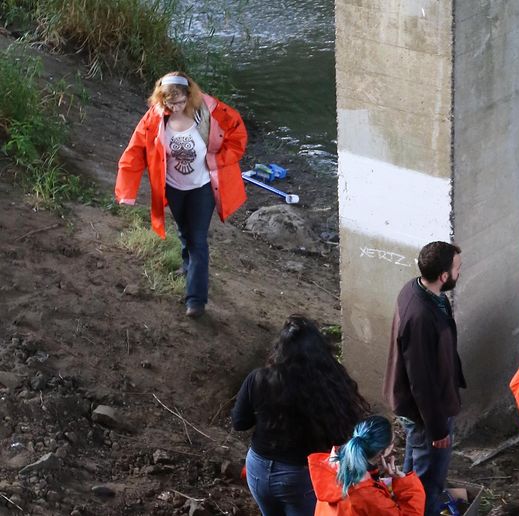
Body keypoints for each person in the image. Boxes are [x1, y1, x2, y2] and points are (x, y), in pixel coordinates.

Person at [117, 71, 247, 318]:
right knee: (184, 231)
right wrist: (126, 191)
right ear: (161, 99)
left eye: (179, 102)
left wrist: (219, 160)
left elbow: (238, 136)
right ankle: (187, 266)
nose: (174, 108)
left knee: (198, 239)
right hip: (173, 187)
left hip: (203, 187)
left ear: (190, 96)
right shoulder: (155, 117)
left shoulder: (211, 111)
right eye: (168, 102)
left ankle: (195, 299)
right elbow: (135, 151)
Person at [232, 315, 369, 516]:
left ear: (280, 348)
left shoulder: (258, 378)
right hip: (300, 475)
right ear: (319, 351)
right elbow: (345, 432)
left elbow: (240, 422)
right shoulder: (328, 384)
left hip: (258, 470)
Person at [383, 241, 466, 516]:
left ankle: (404, 506)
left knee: (413, 472)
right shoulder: (420, 317)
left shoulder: (416, 288)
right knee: (428, 483)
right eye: (457, 268)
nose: (460, 271)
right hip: (425, 413)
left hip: (415, 407)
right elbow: (421, 380)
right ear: (444, 276)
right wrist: (437, 428)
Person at [309, 415, 425, 515]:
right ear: (384, 451)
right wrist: (406, 485)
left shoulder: (331, 467)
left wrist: (374, 478)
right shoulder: (368, 495)